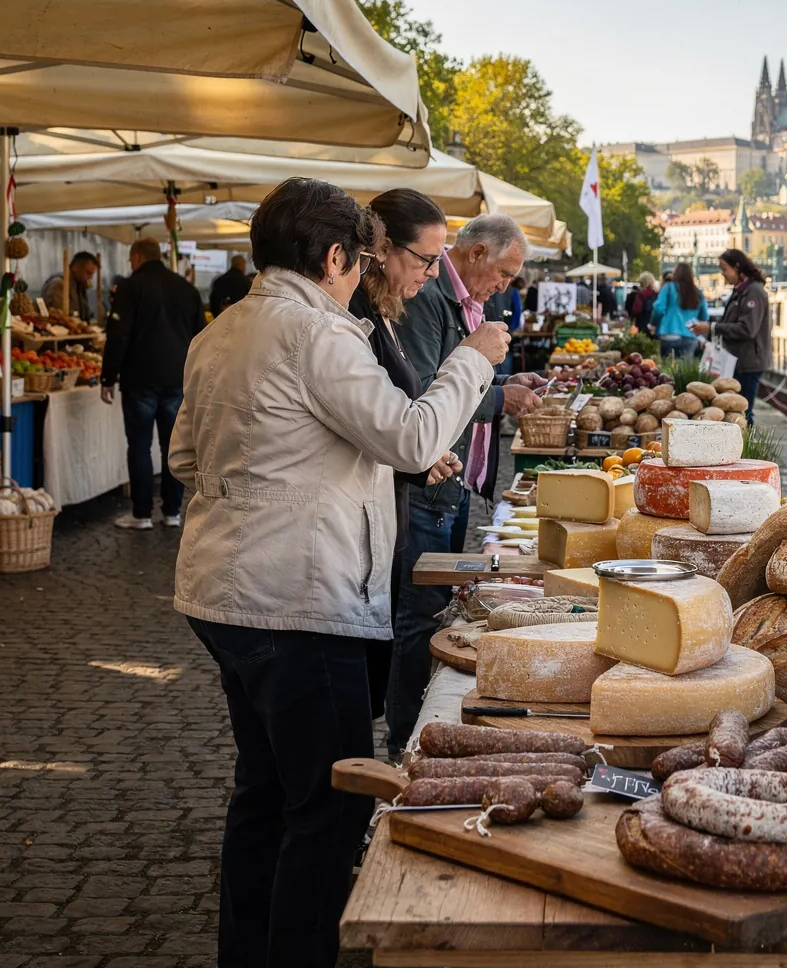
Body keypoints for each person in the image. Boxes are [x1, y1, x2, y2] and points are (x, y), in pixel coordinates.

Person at [170, 177, 507, 967]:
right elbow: (413, 436)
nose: (361, 276)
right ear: (333, 258)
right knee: (329, 803)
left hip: (225, 590)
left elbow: (185, 456)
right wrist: (470, 360)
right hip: (296, 596)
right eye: (358, 261)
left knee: (264, 791)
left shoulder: (222, 330)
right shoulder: (317, 331)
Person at [389, 214, 544, 755]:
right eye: (504, 273)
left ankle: (418, 725)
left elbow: (460, 375)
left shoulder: (466, 302)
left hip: (450, 484)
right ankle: (406, 736)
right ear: (476, 253)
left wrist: (504, 381)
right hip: (428, 482)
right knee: (419, 617)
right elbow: (428, 392)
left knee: (436, 609)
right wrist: (500, 398)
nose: (505, 286)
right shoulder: (430, 300)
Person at [353, 189, 464, 716]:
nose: (435, 272)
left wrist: (421, 463)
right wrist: (473, 360)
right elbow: (392, 422)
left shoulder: (384, 310)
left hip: (383, 508)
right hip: (353, 534)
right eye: (426, 259)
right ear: (382, 249)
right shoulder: (353, 319)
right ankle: (400, 729)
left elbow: (382, 423)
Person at [101, 237, 203, 530]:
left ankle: (142, 514)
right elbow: (201, 336)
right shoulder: (186, 288)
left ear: (136, 257)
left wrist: (108, 377)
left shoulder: (130, 287)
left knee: (139, 447)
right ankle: (172, 512)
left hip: (139, 379)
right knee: (173, 448)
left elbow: (118, 335)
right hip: (177, 379)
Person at [693, 248, 772, 423]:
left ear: (737, 267)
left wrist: (713, 327)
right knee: (737, 409)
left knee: (743, 410)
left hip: (748, 362)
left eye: (724, 269)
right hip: (738, 360)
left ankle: (746, 439)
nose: (722, 274)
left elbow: (747, 329)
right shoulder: (741, 290)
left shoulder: (753, 292)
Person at [651, 261, 708, 358]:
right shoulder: (698, 293)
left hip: (669, 333)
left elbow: (658, 308)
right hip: (690, 335)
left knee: (667, 365)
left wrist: (653, 323)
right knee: (685, 366)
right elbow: (704, 317)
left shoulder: (668, 288)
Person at [40, 251, 101, 323]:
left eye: (92, 274)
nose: (90, 278)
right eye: (88, 273)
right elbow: (57, 316)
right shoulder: (58, 284)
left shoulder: (79, 284)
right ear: (75, 268)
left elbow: (86, 315)